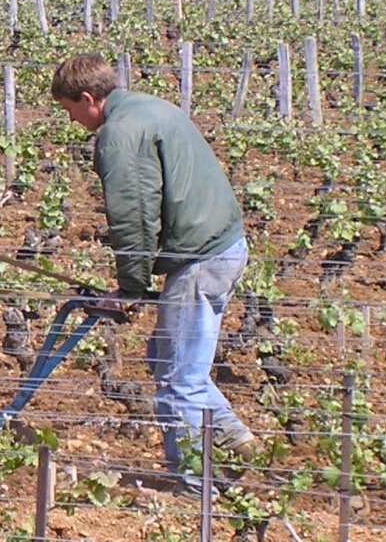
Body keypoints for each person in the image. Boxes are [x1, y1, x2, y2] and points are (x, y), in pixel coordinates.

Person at [49, 53, 255, 483]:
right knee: (167, 357)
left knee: (179, 380)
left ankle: (193, 484)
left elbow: (134, 217)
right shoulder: (149, 107)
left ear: (88, 98)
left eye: (69, 110)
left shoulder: (120, 133)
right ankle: (234, 438)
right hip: (224, 245)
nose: (71, 120)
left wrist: (131, 288)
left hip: (200, 258)